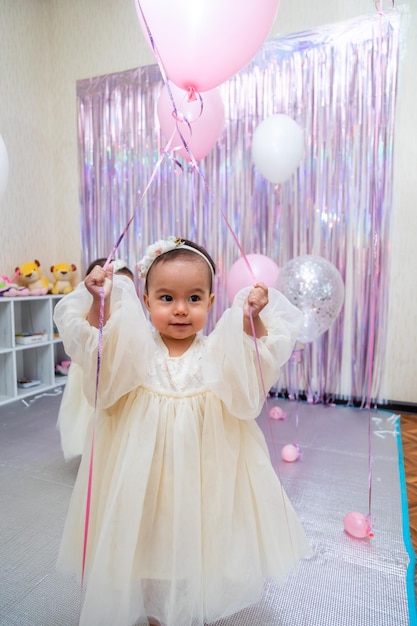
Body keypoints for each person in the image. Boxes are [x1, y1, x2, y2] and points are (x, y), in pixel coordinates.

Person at [53, 236, 311, 626]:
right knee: (147, 541)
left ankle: (184, 608)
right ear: (146, 300)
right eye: (166, 298)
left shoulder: (218, 350)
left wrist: (251, 317)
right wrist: (96, 301)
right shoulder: (135, 348)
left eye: (193, 298)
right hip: (145, 473)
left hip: (200, 476)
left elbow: (254, 360)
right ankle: (155, 608)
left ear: (210, 301)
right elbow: (96, 346)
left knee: (193, 542)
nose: (180, 310)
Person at [56, 258, 134, 461]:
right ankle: (92, 451)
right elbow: (92, 334)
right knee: (88, 415)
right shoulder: (88, 310)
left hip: (117, 372)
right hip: (92, 375)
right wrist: (100, 301)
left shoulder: (129, 313)